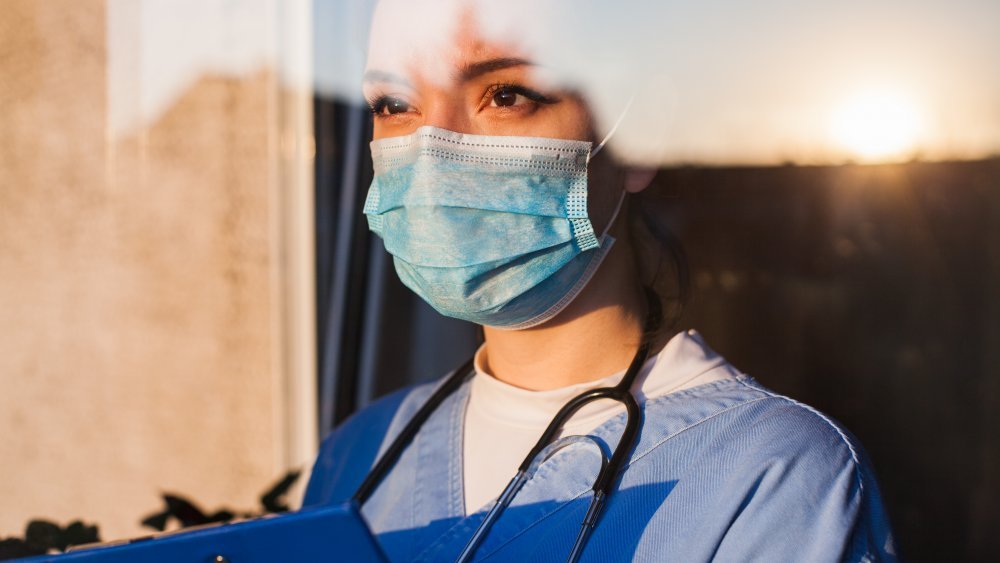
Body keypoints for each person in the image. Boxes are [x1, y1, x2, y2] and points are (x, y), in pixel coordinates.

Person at [304, 1, 897, 561]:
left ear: (641, 133)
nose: (433, 153)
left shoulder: (773, 477)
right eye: (393, 104)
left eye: (506, 94)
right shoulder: (358, 454)